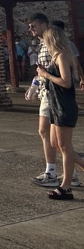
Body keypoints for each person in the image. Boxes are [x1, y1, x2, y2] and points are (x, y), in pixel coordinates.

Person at [28, 13, 80, 188]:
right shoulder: (44, 46)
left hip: (57, 97)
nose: (31, 29)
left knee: (59, 142)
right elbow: (41, 71)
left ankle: (58, 173)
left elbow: (63, 78)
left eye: (33, 25)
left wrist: (45, 77)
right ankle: (66, 173)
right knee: (54, 140)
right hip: (48, 92)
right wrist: (35, 85)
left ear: (44, 25)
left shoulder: (57, 51)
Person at [37, 25, 84, 199]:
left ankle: (66, 187)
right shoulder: (55, 56)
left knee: (64, 146)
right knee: (56, 143)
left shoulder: (62, 56)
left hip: (65, 105)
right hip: (56, 105)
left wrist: (46, 75)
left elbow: (66, 82)